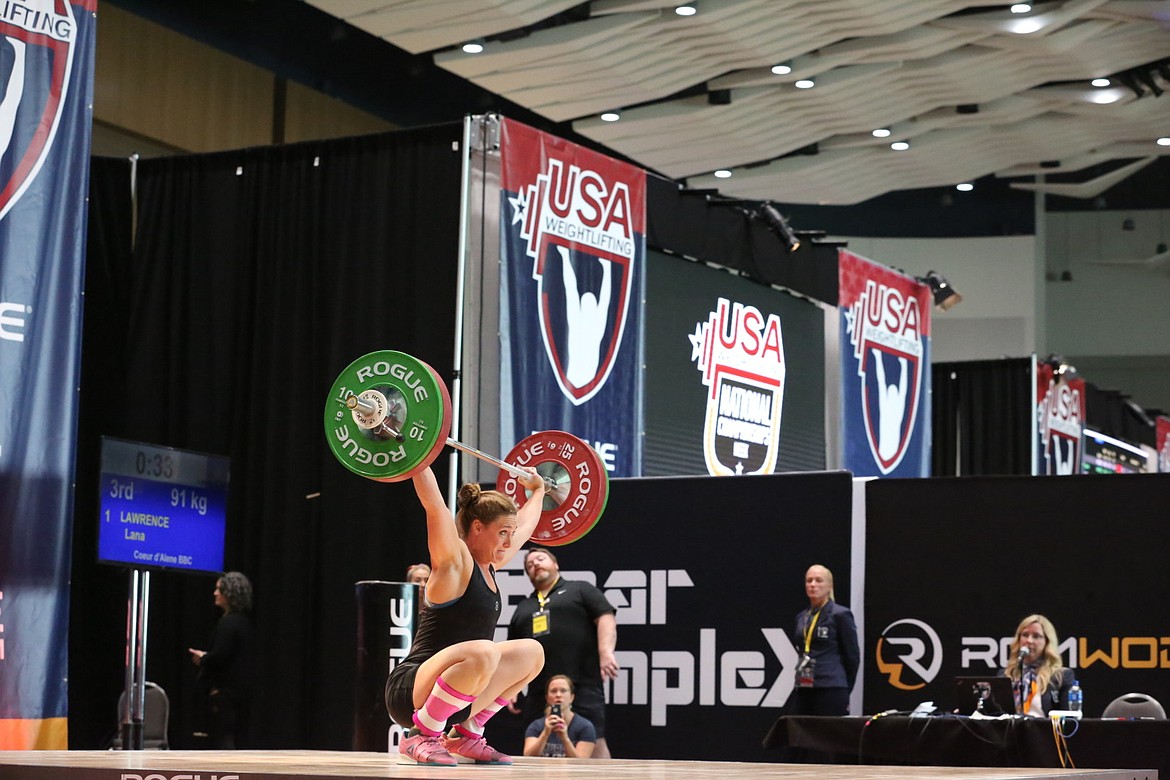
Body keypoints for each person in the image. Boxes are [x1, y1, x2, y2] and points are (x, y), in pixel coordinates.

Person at [384, 466, 547, 766]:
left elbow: (525, 526)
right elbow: (434, 505)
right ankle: (420, 736)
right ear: (477, 528)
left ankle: (466, 734)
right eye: (502, 533)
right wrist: (419, 455)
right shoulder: (454, 564)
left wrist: (538, 491)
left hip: (456, 696)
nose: (509, 543)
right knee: (484, 651)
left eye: (509, 534)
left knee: (532, 652)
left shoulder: (491, 564)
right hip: (411, 690)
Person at [508, 546, 618, 758]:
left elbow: (605, 617)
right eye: (529, 565)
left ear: (555, 564)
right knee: (536, 743)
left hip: (581, 683)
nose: (535, 565)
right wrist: (511, 687)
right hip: (540, 690)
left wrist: (605, 652)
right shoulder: (524, 607)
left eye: (540, 559)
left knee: (594, 740)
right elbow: (514, 651)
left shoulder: (580, 590)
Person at [188, 571, 255, 749]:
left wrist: (203, 658)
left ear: (230, 594)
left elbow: (220, 656)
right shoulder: (245, 623)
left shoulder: (228, 623)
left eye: (219, 590)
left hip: (226, 694)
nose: (215, 593)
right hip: (242, 694)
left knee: (222, 741)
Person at [787, 564, 860, 717]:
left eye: (819, 580)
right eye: (809, 580)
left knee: (829, 736)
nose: (813, 585)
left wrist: (844, 685)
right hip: (805, 685)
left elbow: (852, 656)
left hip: (831, 686)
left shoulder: (840, 614)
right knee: (800, 734)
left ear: (829, 586)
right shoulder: (802, 617)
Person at [1002, 614, 1073, 716]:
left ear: (1047, 642)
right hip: (1011, 730)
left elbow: (1069, 719)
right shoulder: (1007, 674)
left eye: (1036, 636)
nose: (1029, 640)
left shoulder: (1061, 676)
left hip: (1043, 730)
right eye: (1025, 635)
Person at [523, 674, 596, 758]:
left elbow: (581, 762)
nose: (558, 695)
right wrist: (545, 733)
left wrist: (565, 738)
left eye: (563, 691)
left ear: (572, 697)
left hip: (571, 771)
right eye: (553, 691)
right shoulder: (536, 726)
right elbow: (528, 756)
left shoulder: (585, 727)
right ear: (547, 698)